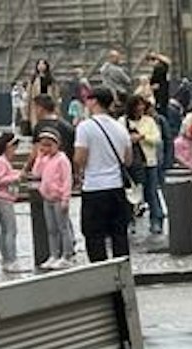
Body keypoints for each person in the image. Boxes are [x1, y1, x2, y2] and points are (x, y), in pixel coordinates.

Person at [74, 86, 132, 262]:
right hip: (116, 188)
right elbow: (128, 160)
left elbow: (79, 158)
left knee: (94, 236)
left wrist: (79, 171)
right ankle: (122, 274)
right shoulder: (120, 127)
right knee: (119, 235)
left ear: (94, 102)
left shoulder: (85, 127)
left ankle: (100, 276)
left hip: (94, 187)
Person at [30, 131, 73, 268]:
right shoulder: (46, 159)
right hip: (47, 198)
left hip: (59, 198)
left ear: (57, 144)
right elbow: (37, 173)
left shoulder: (62, 159)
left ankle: (67, 255)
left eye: (49, 145)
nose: (47, 148)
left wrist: (65, 198)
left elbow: (67, 180)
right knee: (51, 229)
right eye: (44, 145)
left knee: (63, 228)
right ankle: (53, 255)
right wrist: (39, 157)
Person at [126, 92, 165, 235]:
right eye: (138, 105)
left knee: (151, 192)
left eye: (143, 105)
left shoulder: (149, 121)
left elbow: (157, 139)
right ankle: (129, 221)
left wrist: (142, 137)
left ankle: (156, 219)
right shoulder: (122, 121)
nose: (141, 108)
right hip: (130, 163)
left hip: (149, 162)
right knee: (129, 194)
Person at [0, 132, 23, 270]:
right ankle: (11, 259)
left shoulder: (1, 161)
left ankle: (6, 259)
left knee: (5, 230)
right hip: (3, 198)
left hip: (0, 197)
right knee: (10, 230)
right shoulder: (1, 161)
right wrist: (15, 177)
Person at [30, 58, 56, 132]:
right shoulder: (34, 78)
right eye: (39, 64)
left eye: (43, 64)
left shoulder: (50, 78)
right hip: (37, 101)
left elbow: (54, 92)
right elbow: (30, 92)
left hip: (47, 101)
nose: (41, 66)